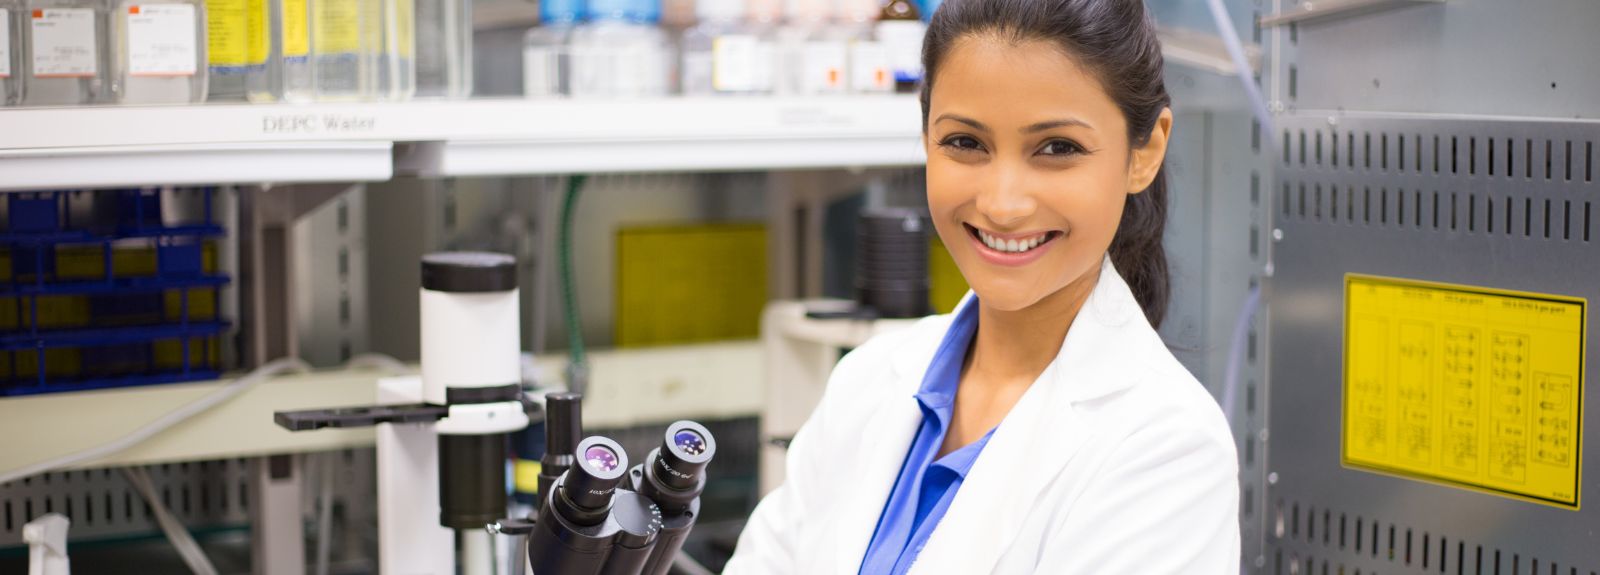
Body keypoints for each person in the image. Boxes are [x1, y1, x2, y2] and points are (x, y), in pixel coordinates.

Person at [723, 0, 1239, 572]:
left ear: (1145, 152)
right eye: (966, 143)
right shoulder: (867, 380)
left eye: (1057, 148)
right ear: (925, 137)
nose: (1002, 203)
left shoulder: (1167, 450)